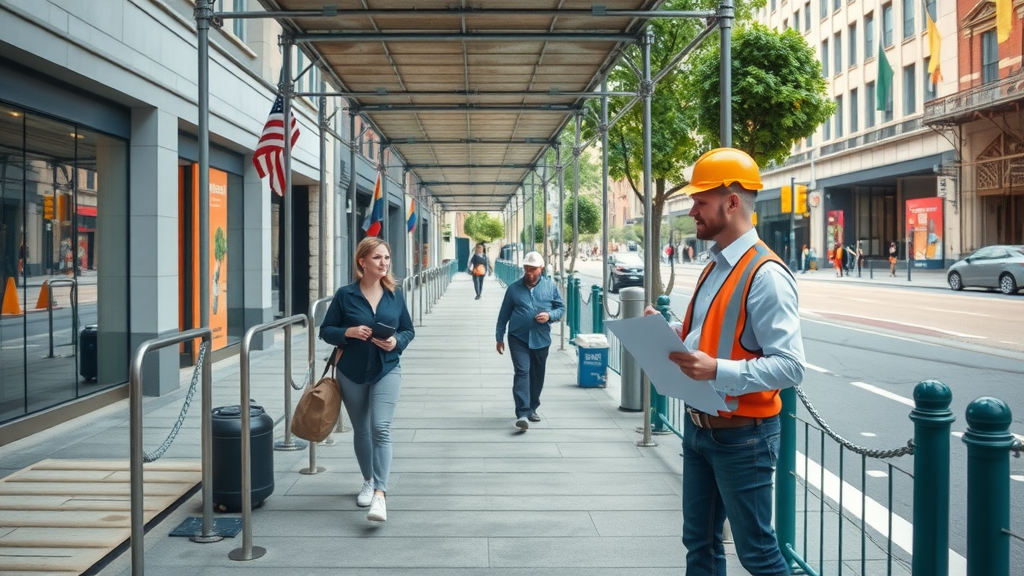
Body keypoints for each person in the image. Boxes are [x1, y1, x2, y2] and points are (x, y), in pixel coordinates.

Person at [654, 148, 805, 576]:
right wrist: (663, 331)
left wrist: (716, 370)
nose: (692, 210)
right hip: (701, 429)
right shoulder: (713, 265)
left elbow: (792, 366)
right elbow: (703, 341)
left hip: (744, 438)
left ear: (732, 201)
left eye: (701, 201)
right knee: (699, 544)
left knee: (758, 554)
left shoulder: (767, 275)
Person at [319, 237, 415, 523]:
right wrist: (347, 332)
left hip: (387, 368)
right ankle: (369, 480)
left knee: (380, 427)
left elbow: (408, 330)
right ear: (362, 261)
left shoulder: (395, 294)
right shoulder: (345, 295)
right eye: (377, 258)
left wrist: (396, 341)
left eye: (386, 258)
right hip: (352, 370)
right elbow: (326, 330)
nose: (384, 263)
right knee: (361, 430)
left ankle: (380, 494)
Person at [495, 251, 564, 431]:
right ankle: (523, 413)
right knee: (522, 372)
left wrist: (549, 315)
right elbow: (503, 315)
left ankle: (533, 407)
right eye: (526, 269)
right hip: (518, 338)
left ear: (541, 269)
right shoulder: (514, 289)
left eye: (533, 269)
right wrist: (499, 337)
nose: (529, 273)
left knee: (537, 375)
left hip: (541, 339)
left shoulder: (550, 287)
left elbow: (560, 308)